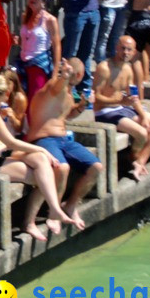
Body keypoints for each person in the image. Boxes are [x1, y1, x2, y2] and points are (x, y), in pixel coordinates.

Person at [0, 75, 75, 241]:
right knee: (43, 177)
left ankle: (53, 208)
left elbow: (11, 137)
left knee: (41, 160)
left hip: (1, 153)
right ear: (6, 94)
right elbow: (11, 142)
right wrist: (43, 149)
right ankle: (30, 222)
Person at [26, 59, 103, 231]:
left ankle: (71, 205)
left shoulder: (68, 93)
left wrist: (83, 106)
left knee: (96, 167)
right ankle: (54, 212)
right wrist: (64, 76)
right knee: (62, 168)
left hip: (64, 140)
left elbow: (66, 116)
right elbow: (56, 87)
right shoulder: (55, 85)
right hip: (43, 139)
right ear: (80, 75)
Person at [93, 36, 150, 181]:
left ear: (134, 52)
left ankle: (140, 161)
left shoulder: (128, 68)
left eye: (129, 50)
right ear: (116, 48)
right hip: (105, 111)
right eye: (123, 48)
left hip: (122, 107)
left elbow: (132, 97)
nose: (126, 52)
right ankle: (133, 157)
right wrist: (118, 100)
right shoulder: (104, 67)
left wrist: (144, 116)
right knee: (142, 133)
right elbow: (95, 98)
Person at [19, 0, 62, 100]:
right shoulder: (25, 17)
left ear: (44, 1)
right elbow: (25, 41)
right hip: (23, 62)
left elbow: (57, 46)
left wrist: (55, 73)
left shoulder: (50, 20)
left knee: (35, 100)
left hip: (38, 65)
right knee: (20, 99)